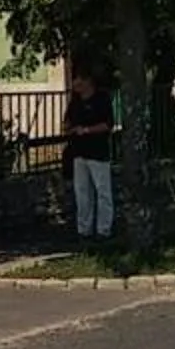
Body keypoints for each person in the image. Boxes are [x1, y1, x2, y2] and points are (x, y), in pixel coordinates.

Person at [64, 70, 116, 241]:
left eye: (78, 79)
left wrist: (86, 130)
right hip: (79, 152)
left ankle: (104, 229)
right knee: (82, 192)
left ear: (87, 81)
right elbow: (67, 123)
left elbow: (107, 124)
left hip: (98, 152)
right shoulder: (75, 102)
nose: (75, 83)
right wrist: (72, 129)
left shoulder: (101, 99)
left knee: (103, 192)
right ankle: (84, 229)